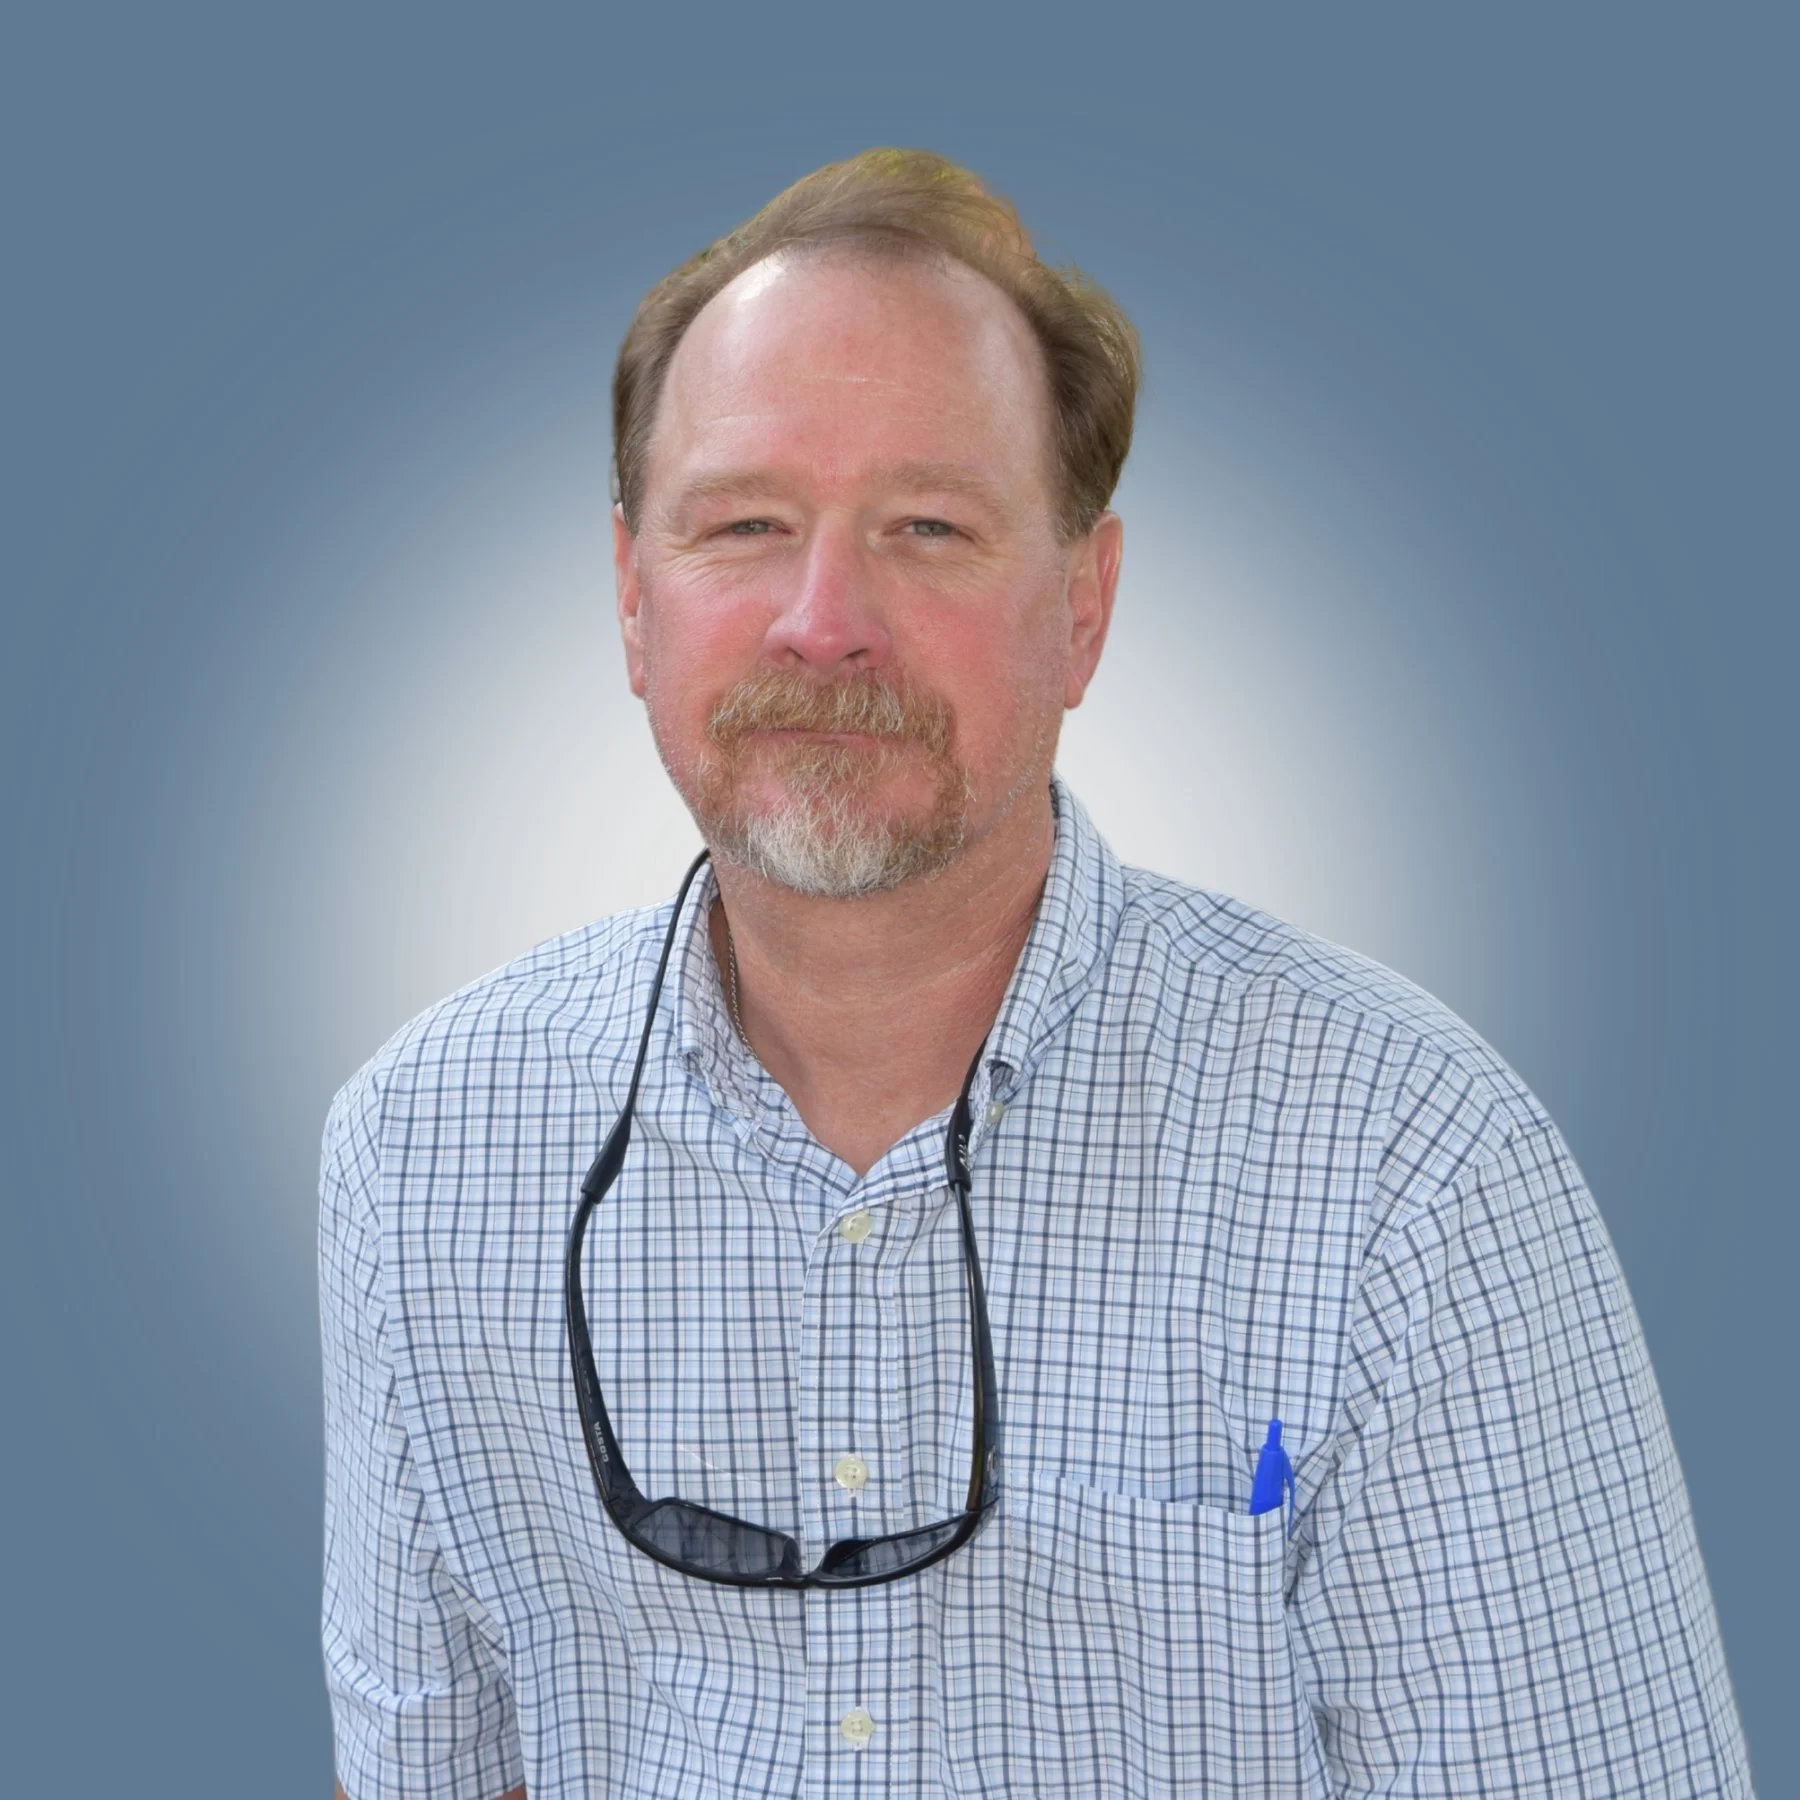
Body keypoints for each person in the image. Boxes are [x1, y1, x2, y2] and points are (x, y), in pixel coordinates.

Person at [319, 148, 1753, 1799]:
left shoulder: (1411, 1169)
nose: (822, 620)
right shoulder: (418, 1148)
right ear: (634, 602)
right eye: (745, 525)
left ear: (1084, 606)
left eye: (927, 526)